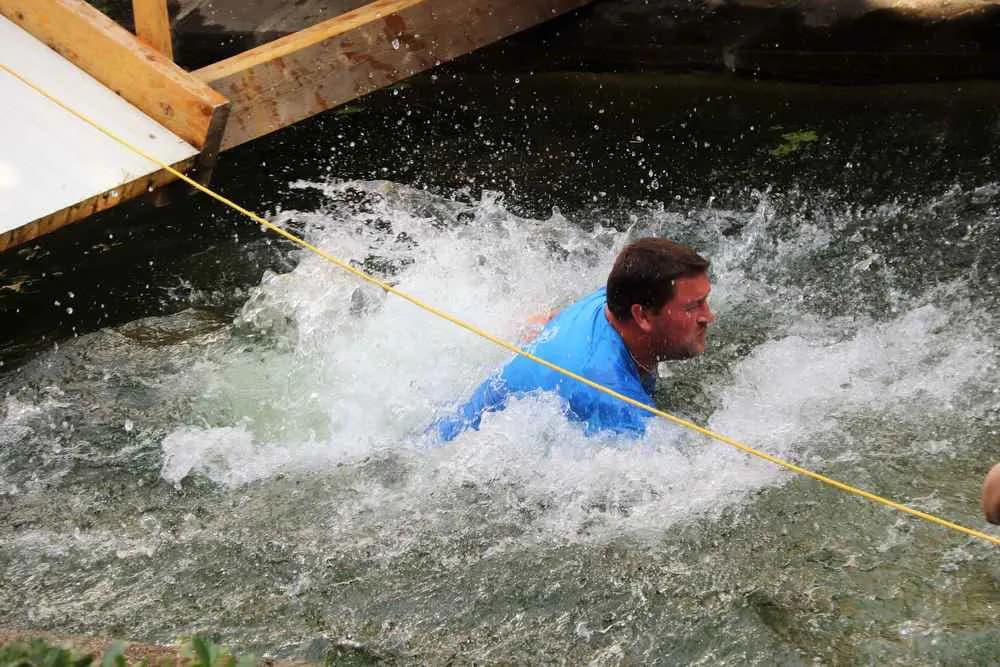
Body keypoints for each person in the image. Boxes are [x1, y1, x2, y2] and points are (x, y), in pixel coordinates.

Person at [434, 237, 714, 441]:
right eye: (692, 307)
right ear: (641, 315)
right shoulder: (613, 400)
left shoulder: (609, 299)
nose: (708, 317)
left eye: (705, 301)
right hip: (448, 455)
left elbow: (541, 320)